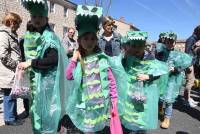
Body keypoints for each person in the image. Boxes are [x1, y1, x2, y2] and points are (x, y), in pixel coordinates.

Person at [65, 5, 123, 134]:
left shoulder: (102, 59)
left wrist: (114, 98)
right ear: (79, 40)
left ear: (97, 40)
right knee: (86, 129)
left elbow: (110, 79)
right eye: (86, 38)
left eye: (92, 38)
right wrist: (74, 59)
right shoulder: (79, 59)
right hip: (84, 103)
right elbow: (69, 76)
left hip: (99, 102)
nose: (89, 42)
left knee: (97, 128)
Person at [18, 0, 68, 133]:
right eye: (34, 16)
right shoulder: (30, 36)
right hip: (36, 86)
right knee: (36, 113)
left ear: (46, 19)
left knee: (48, 115)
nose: (37, 19)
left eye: (40, 16)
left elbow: (52, 60)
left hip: (48, 86)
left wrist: (31, 63)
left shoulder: (50, 37)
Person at [120, 30, 168, 134]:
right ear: (129, 46)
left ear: (144, 45)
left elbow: (160, 71)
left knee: (141, 115)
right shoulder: (127, 56)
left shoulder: (150, 58)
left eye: (140, 46)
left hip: (144, 92)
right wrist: (124, 56)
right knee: (129, 115)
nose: (136, 49)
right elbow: (119, 69)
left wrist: (148, 76)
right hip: (129, 91)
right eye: (134, 46)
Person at [155, 32, 192, 129]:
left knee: (169, 100)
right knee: (160, 96)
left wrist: (176, 69)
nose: (169, 43)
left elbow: (186, 64)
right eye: (167, 41)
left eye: (171, 41)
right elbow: (155, 62)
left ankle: (167, 118)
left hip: (173, 79)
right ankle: (160, 109)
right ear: (165, 42)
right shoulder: (160, 51)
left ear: (175, 42)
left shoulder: (179, 54)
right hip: (162, 78)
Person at [0, 12, 23, 126]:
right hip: (8, 70)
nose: (19, 26)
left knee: (12, 93)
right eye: (18, 23)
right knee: (9, 94)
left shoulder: (11, 34)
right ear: (11, 22)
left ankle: (13, 116)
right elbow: (3, 55)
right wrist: (15, 65)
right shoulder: (4, 34)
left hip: (12, 70)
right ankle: (9, 118)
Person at [184, 25, 200, 107]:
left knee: (191, 80)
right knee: (190, 81)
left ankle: (188, 98)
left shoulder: (195, 39)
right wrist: (189, 65)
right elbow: (187, 52)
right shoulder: (191, 39)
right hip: (189, 63)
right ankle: (186, 100)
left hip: (191, 63)